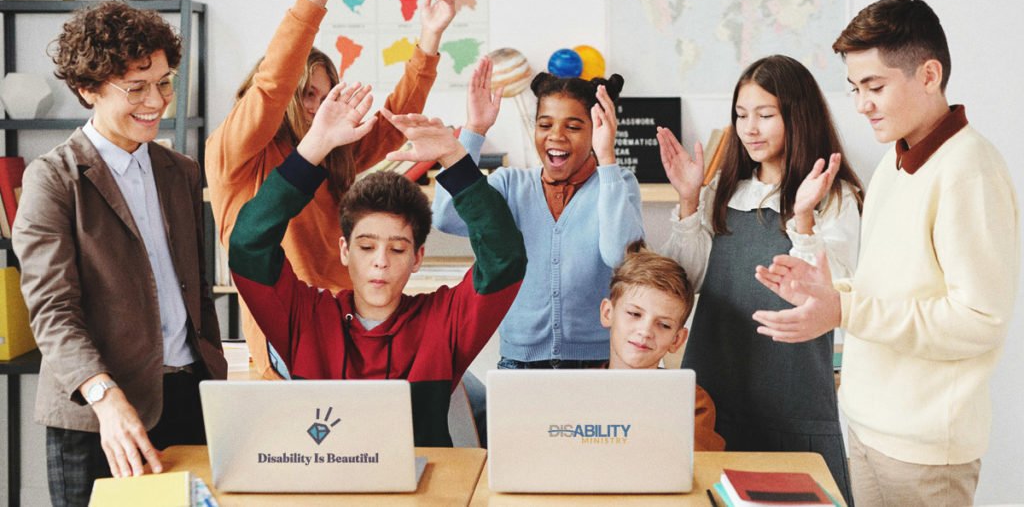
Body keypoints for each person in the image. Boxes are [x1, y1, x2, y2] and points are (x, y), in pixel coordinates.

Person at [753, 0, 1019, 506]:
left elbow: (981, 318)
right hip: (869, 427)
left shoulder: (970, 172)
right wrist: (827, 294)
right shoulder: (895, 164)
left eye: (874, 86)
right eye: (855, 88)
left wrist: (846, 307)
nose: (861, 104)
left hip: (923, 449)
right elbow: (889, 288)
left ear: (929, 74)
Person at [228, 79, 527, 447]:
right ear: (344, 250)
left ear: (418, 257)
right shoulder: (306, 318)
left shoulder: (443, 322)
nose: (381, 263)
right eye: (366, 247)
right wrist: (313, 149)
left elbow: (505, 259)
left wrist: (455, 159)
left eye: (398, 249)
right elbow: (247, 245)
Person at [12, 1, 227, 506]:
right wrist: (107, 400)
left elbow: (191, 292)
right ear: (88, 89)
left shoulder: (180, 171)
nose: (157, 101)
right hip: (101, 416)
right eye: (136, 87)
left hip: (189, 401)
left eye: (164, 82)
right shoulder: (53, 178)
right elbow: (52, 312)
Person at [206, 0, 460, 379]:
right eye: (308, 94)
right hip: (289, 330)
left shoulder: (332, 152)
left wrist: (428, 39)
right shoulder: (240, 149)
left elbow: (393, 124)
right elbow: (273, 81)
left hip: (348, 319)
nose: (318, 108)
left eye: (326, 97)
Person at [657, 55, 864, 501]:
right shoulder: (723, 191)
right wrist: (690, 200)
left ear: (798, 115)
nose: (749, 128)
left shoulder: (836, 197)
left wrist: (804, 216)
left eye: (765, 115)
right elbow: (682, 282)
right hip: (712, 394)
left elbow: (835, 295)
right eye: (741, 115)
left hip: (794, 400)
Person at [432, 58, 644, 369]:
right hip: (520, 363)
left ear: (597, 131)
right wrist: (474, 130)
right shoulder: (508, 185)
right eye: (545, 125)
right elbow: (446, 216)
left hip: (598, 362)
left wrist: (607, 156)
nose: (556, 136)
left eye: (573, 126)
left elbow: (619, 257)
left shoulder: (618, 183)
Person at [599, 241, 725, 452]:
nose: (646, 331)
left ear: (677, 340)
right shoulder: (574, 392)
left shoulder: (691, 401)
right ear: (607, 313)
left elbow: (694, 467)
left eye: (664, 325)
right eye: (634, 314)